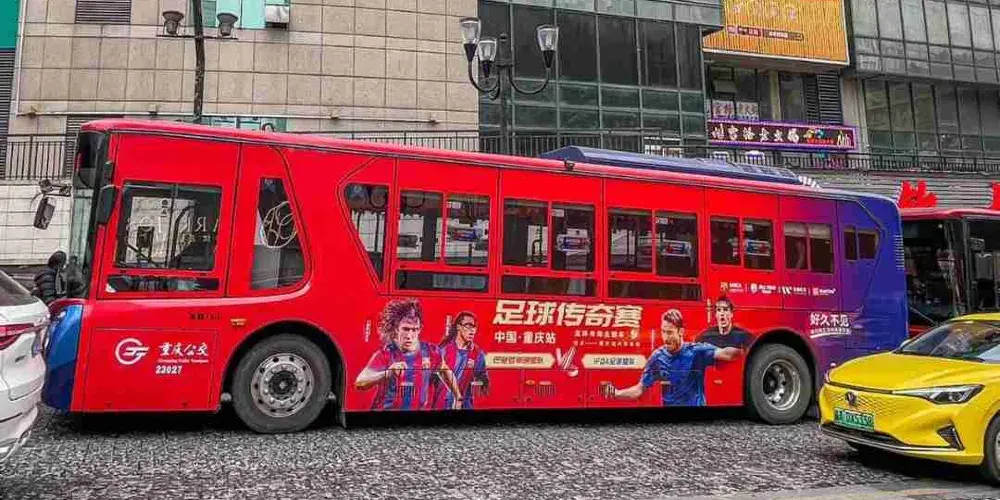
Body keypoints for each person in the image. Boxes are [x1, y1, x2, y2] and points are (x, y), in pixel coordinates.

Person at [603, 309, 740, 407]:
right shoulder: (657, 357)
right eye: (663, 332)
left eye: (669, 332)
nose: (665, 337)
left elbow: (727, 354)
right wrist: (616, 393)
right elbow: (639, 390)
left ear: (681, 332)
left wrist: (746, 349)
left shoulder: (696, 351)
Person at [355, 299, 464, 410]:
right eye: (406, 329)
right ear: (396, 328)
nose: (409, 335)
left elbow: (445, 370)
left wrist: (458, 397)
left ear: (420, 329)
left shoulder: (431, 352)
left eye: (414, 330)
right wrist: (387, 373)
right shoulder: (386, 353)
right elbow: (360, 382)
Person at [697, 296, 753, 405]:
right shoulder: (705, 336)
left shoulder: (744, 335)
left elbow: (746, 355)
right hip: (711, 384)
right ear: (715, 315)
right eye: (719, 310)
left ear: (731, 314)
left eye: (725, 310)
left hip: (734, 382)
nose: (722, 314)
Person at [434, 311, 489, 409]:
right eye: (468, 326)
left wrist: (481, 382)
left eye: (474, 327)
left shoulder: (477, 354)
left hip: (464, 405)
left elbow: (483, 379)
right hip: (443, 404)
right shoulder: (443, 350)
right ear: (458, 327)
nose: (472, 330)